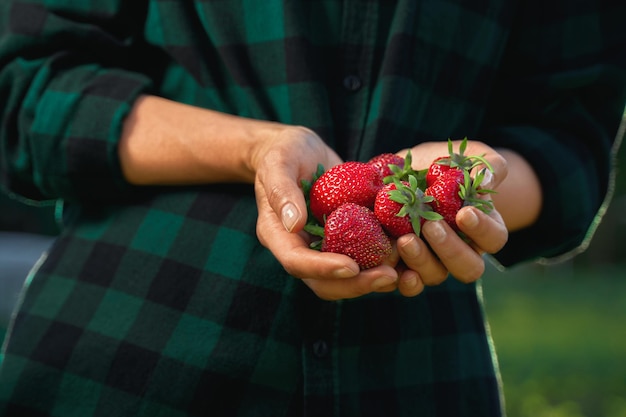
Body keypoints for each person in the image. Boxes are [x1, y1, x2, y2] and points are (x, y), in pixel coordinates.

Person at [0, 0, 624, 416]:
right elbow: (29, 91)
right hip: (131, 364)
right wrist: (254, 149)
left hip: (415, 381)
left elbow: (569, 145)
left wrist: (460, 188)